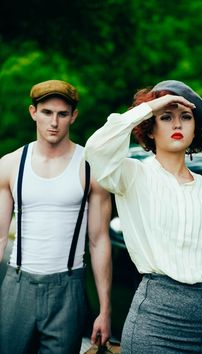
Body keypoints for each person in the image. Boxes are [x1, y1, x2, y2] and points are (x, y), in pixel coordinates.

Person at [84, 80, 202, 354]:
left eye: (186, 117)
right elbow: (96, 149)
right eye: (166, 117)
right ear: (151, 130)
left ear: (195, 130)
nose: (177, 125)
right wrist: (149, 106)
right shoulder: (132, 175)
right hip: (154, 320)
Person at [0, 80, 112, 354]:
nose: (54, 122)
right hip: (17, 286)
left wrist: (105, 310)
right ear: (33, 112)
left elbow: (99, 241)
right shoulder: (11, 164)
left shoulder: (91, 168)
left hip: (68, 289)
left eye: (62, 114)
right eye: (47, 112)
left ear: (73, 116)